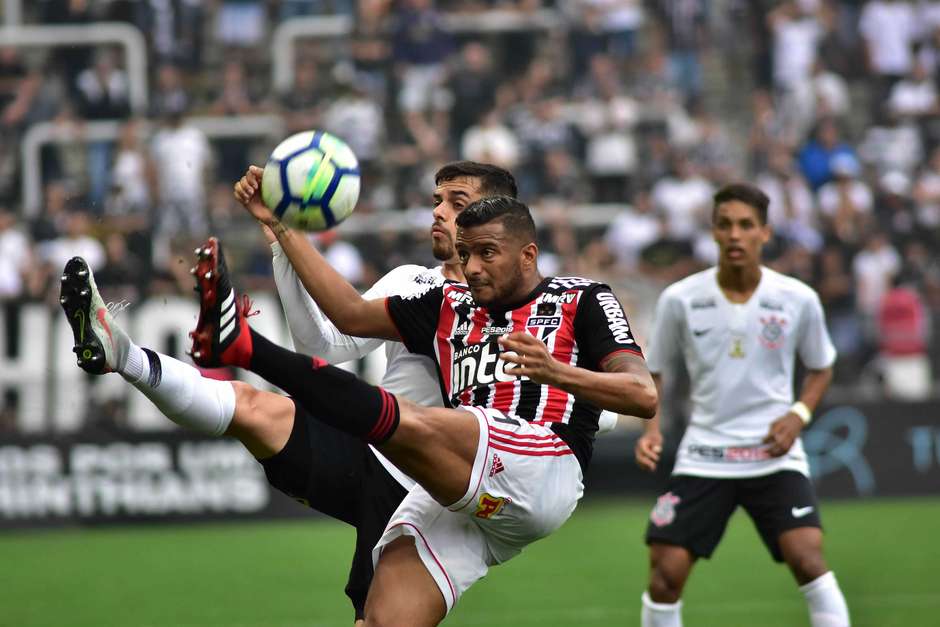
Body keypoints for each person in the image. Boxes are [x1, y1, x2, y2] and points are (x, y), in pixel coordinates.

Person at [61, 160, 517, 626]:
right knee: (251, 406)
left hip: (425, 490)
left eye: (456, 203)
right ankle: (124, 356)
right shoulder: (412, 281)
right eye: (436, 201)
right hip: (368, 453)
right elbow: (324, 345)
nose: (438, 212)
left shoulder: (527, 310)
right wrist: (282, 243)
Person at [634, 183, 851, 627]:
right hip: (705, 455)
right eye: (725, 225)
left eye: (745, 225)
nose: (735, 234)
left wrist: (799, 414)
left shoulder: (797, 298)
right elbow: (653, 372)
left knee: (809, 561)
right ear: (712, 232)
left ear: (765, 233)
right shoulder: (681, 298)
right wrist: (650, 431)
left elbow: (821, 367)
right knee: (664, 576)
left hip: (773, 454)